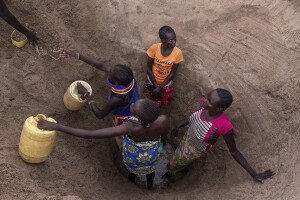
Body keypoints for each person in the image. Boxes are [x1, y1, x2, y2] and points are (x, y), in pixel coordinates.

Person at [38, 99, 169, 189]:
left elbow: (91, 134)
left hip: (133, 157)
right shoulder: (163, 120)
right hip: (152, 153)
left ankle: (132, 183)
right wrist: (160, 146)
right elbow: (164, 137)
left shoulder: (129, 128)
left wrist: (57, 126)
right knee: (150, 169)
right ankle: (150, 185)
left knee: (131, 170)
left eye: (134, 106)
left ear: (137, 116)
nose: (133, 104)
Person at [165, 88, 275, 182]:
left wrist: (254, 174)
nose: (204, 101)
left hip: (195, 149)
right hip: (188, 136)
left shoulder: (224, 126)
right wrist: (178, 127)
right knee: (179, 155)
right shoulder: (204, 105)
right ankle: (181, 168)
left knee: (175, 162)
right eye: (207, 98)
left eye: (209, 101)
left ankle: (170, 173)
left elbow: (234, 151)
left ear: (219, 109)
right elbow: (192, 118)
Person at [59, 48, 140, 149]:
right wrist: (77, 55)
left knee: (122, 139)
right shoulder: (129, 79)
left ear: (116, 83)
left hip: (125, 118)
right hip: (135, 106)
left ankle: (123, 152)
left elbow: (100, 114)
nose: (108, 70)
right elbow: (102, 66)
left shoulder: (117, 99)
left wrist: (87, 95)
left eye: (110, 73)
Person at [144, 25, 183, 106]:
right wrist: (156, 86)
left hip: (165, 83)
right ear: (163, 41)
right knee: (147, 101)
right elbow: (149, 68)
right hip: (152, 80)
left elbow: (172, 74)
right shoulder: (154, 48)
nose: (174, 42)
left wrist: (159, 88)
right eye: (171, 40)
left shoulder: (177, 52)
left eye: (174, 38)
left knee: (160, 101)